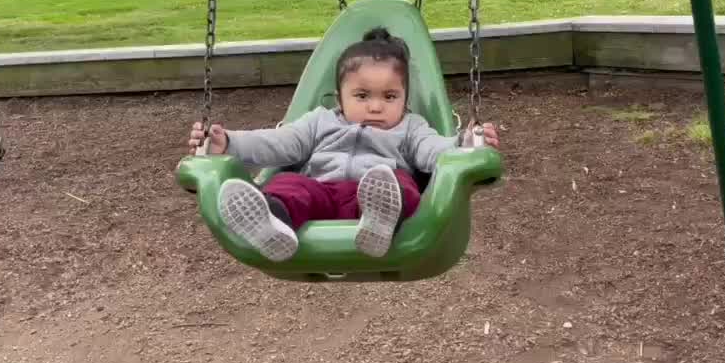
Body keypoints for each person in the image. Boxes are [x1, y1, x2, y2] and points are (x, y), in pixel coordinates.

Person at [187, 27, 499, 262]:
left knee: (400, 184)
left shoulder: (410, 127)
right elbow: (277, 143)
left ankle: (380, 221)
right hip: (321, 194)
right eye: (362, 96)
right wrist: (228, 142)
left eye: (389, 97)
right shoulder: (320, 121)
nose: (376, 107)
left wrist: (466, 143)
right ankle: (271, 223)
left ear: (405, 98)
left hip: (374, 193)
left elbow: (435, 152)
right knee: (288, 184)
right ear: (340, 98)